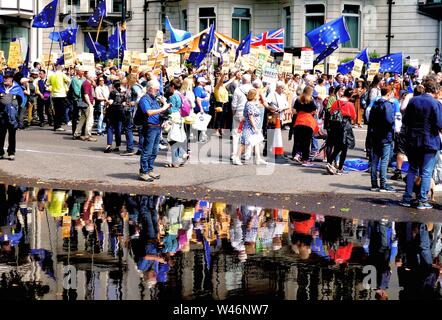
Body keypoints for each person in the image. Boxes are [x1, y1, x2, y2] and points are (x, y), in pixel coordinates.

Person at [400, 79, 442, 209]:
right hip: (429, 140)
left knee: (412, 169)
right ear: (435, 90)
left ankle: (407, 198)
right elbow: (440, 124)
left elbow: (405, 120)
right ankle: (422, 200)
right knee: (426, 172)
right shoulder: (436, 103)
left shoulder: (413, 100)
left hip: (413, 140)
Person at [138, 79, 171, 182]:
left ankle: (149, 169)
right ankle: (143, 172)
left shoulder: (154, 99)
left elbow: (161, 112)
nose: (157, 91)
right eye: (156, 90)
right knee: (147, 150)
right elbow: (149, 112)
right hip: (150, 127)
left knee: (155, 150)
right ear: (150, 88)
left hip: (157, 126)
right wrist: (162, 108)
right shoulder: (145, 99)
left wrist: (164, 104)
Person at [368, 85, 396, 192]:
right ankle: (383, 184)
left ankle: (374, 184)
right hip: (385, 135)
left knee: (374, 160)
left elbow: (370, 119)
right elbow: (390, 120)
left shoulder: (375, 104)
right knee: (384, 160)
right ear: (388, 94)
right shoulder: (387, 105)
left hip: (375, 134)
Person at [326, 88, 356, 175]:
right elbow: (354, 116)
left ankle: (329, 162)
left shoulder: (337, 102)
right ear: (350, 96)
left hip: (335, 126)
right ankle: (340, 168)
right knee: (344, 147)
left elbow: (331, 112)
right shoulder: (350, 104)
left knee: (337, 146)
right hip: (345, 126)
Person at [232, 89, 267, 166]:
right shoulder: (250, 104)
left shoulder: (252, 103)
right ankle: (237, 158)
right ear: (253, 96)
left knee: (256, 142)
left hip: (251, 126)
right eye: (257, 95)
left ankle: (258, 159)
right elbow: (251, 117)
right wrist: (255, 127)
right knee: (244, 143)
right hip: (249, 127)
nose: (258, 96)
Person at [0, 71, 25, 161]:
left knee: (12, 135)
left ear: (11, 79)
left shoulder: (17, 88)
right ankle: (0, 152)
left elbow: (22, 101)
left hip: (12, 116)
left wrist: (17, 112)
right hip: (2, 115)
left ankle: (11, 152)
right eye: (4, 77)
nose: (5, 79)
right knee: (1, 135)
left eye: (7, 78)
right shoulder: (0, 87)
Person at [292, 86, 318, 166]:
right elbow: (315, 110)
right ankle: (305, 159)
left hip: (299, 120)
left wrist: (301, 112)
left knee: (299, 140)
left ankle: (297, 154)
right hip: (308, 121)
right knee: (306, 141)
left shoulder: (298, 99)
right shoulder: (310, 100)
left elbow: (294, 111)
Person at [231, 74, 253, 160]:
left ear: (242, 80)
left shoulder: (238, 89)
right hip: (249, 114)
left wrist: (233, 114)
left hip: (239, 113)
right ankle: (247, 154)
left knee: (236, 134)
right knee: (248, 134)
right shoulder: (253, 89)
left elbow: (234, 104)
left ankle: (234, 154)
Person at [73, 72, 97, 142]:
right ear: (90, 77)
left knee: (82, 119)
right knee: (90, 120)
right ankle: (88, 135)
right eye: (94, 77)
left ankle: (76, 134)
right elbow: (86, 95)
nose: (95, 78)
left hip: (84, 103)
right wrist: (89, 103)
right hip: (87, 104)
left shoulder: (87, 83)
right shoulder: (87, 83)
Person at [104, 80, 126, 153]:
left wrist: (107, 101)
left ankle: (109, 145)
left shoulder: (113, 92)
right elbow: (124, 103)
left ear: (113, 85)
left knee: (110, 128)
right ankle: (117, 146)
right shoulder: (123, 92)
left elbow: (110, 102)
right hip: (120, 111)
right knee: (118, 129)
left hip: (113, 111)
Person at [47, 64, 70, 131]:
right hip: (61, 94)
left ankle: (56, 125)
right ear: (61, 69)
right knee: (61, 111)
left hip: (54, 95)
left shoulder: (51, 75)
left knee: (56, 111)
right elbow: (69, 80)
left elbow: (47, 83)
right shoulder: (62, 74)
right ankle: (58, 125)